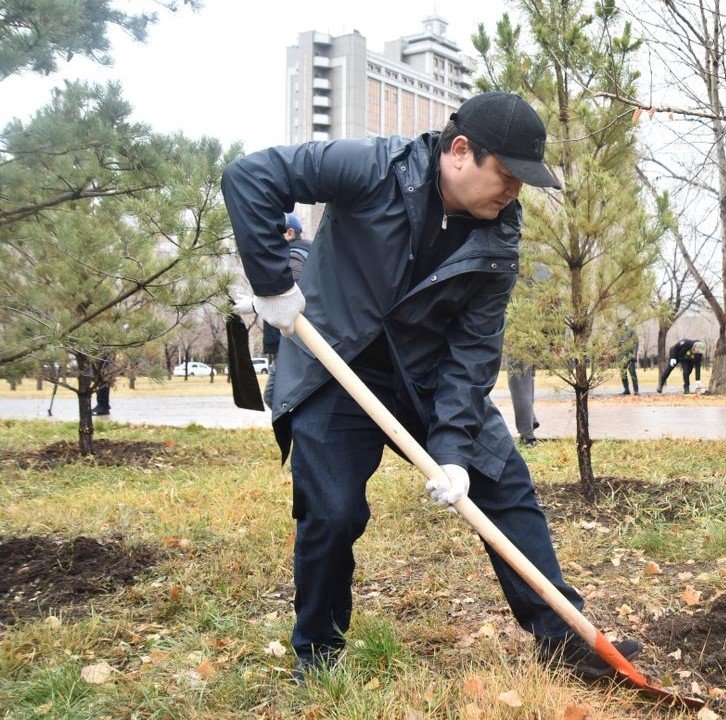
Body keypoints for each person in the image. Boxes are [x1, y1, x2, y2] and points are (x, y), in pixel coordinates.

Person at [222, 91, 640, 681]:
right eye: (507, 176)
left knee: (504, 483)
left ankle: (564, 638)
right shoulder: (374, 167)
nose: (514, 192)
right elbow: (251, 176)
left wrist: (453, 454)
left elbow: (473, 353)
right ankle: (317, 655)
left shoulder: (499, 238)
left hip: (426, 378)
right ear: (461, 152)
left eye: (524, 182)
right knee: (332, 512)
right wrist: (273, 284)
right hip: (335, 367)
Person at [261, 213, 312, 407]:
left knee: (274, 396)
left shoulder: (292, 255)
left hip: (294, 340)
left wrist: (254, 305)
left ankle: (301, 434)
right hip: (297, 339)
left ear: (289, 233)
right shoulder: (305, 253)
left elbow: (295, 292)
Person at [506, 360, 539, 445]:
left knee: (519, 390)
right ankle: (530, 422)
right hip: (524, 352)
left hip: (517, 352)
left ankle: (529, 437)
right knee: (524, 388)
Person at [618, 327, 640, 395]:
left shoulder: (631, 330)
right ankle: (626, 389)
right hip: (622, 356)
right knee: (623, 374)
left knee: (633, 373)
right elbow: (616, 344)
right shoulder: (618, 332)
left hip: (630, 356)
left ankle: (636, 390)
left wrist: (634, 353)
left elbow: (636, 342)